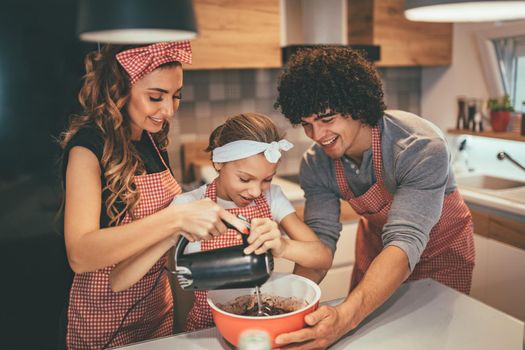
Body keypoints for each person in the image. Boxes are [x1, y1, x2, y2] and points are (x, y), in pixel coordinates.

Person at [272, 47, 475, 349]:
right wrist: (288, 307)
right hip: (377, 248)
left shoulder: (419, 147)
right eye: (306, 123)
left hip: (440, 252)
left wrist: (345, 317)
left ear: (357, 105)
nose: (316, 134)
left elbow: (405, 239)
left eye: (327, 118)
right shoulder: (317, 164)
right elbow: (320, 247)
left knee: (431, 339)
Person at [59, 41, 247, 349]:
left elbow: (166, 236)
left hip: (157, 312)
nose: (168, 110)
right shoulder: (87, 149)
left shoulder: (152, 143)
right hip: (103, 320)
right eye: (155, 97)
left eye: (176, 96)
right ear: (120, 90)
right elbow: (80, 254)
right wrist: (174, 219)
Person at [109, 112, 333, 331]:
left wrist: (283, 246)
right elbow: (119, 281)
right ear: (218, 163)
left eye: (267, 179)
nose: (256, 191)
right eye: (244, 179)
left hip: (261, 325)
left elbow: (321, 257)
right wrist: (173, 231)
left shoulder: (272, 197)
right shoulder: (188, 205)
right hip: (205, 330)